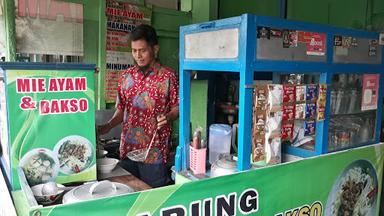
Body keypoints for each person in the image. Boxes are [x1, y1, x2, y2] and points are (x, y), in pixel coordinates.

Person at [97, 24, 179, 188]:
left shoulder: (168, 76)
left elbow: (178, 107)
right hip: (128, 150)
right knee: (128, 194)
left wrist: (169, 116)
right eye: (134, 51)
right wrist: (106, 127)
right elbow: (121, 110)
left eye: (142, 50)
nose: (138, 56)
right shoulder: (126, 77)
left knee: (153, 198)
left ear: (155, 49)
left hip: (154, 152)